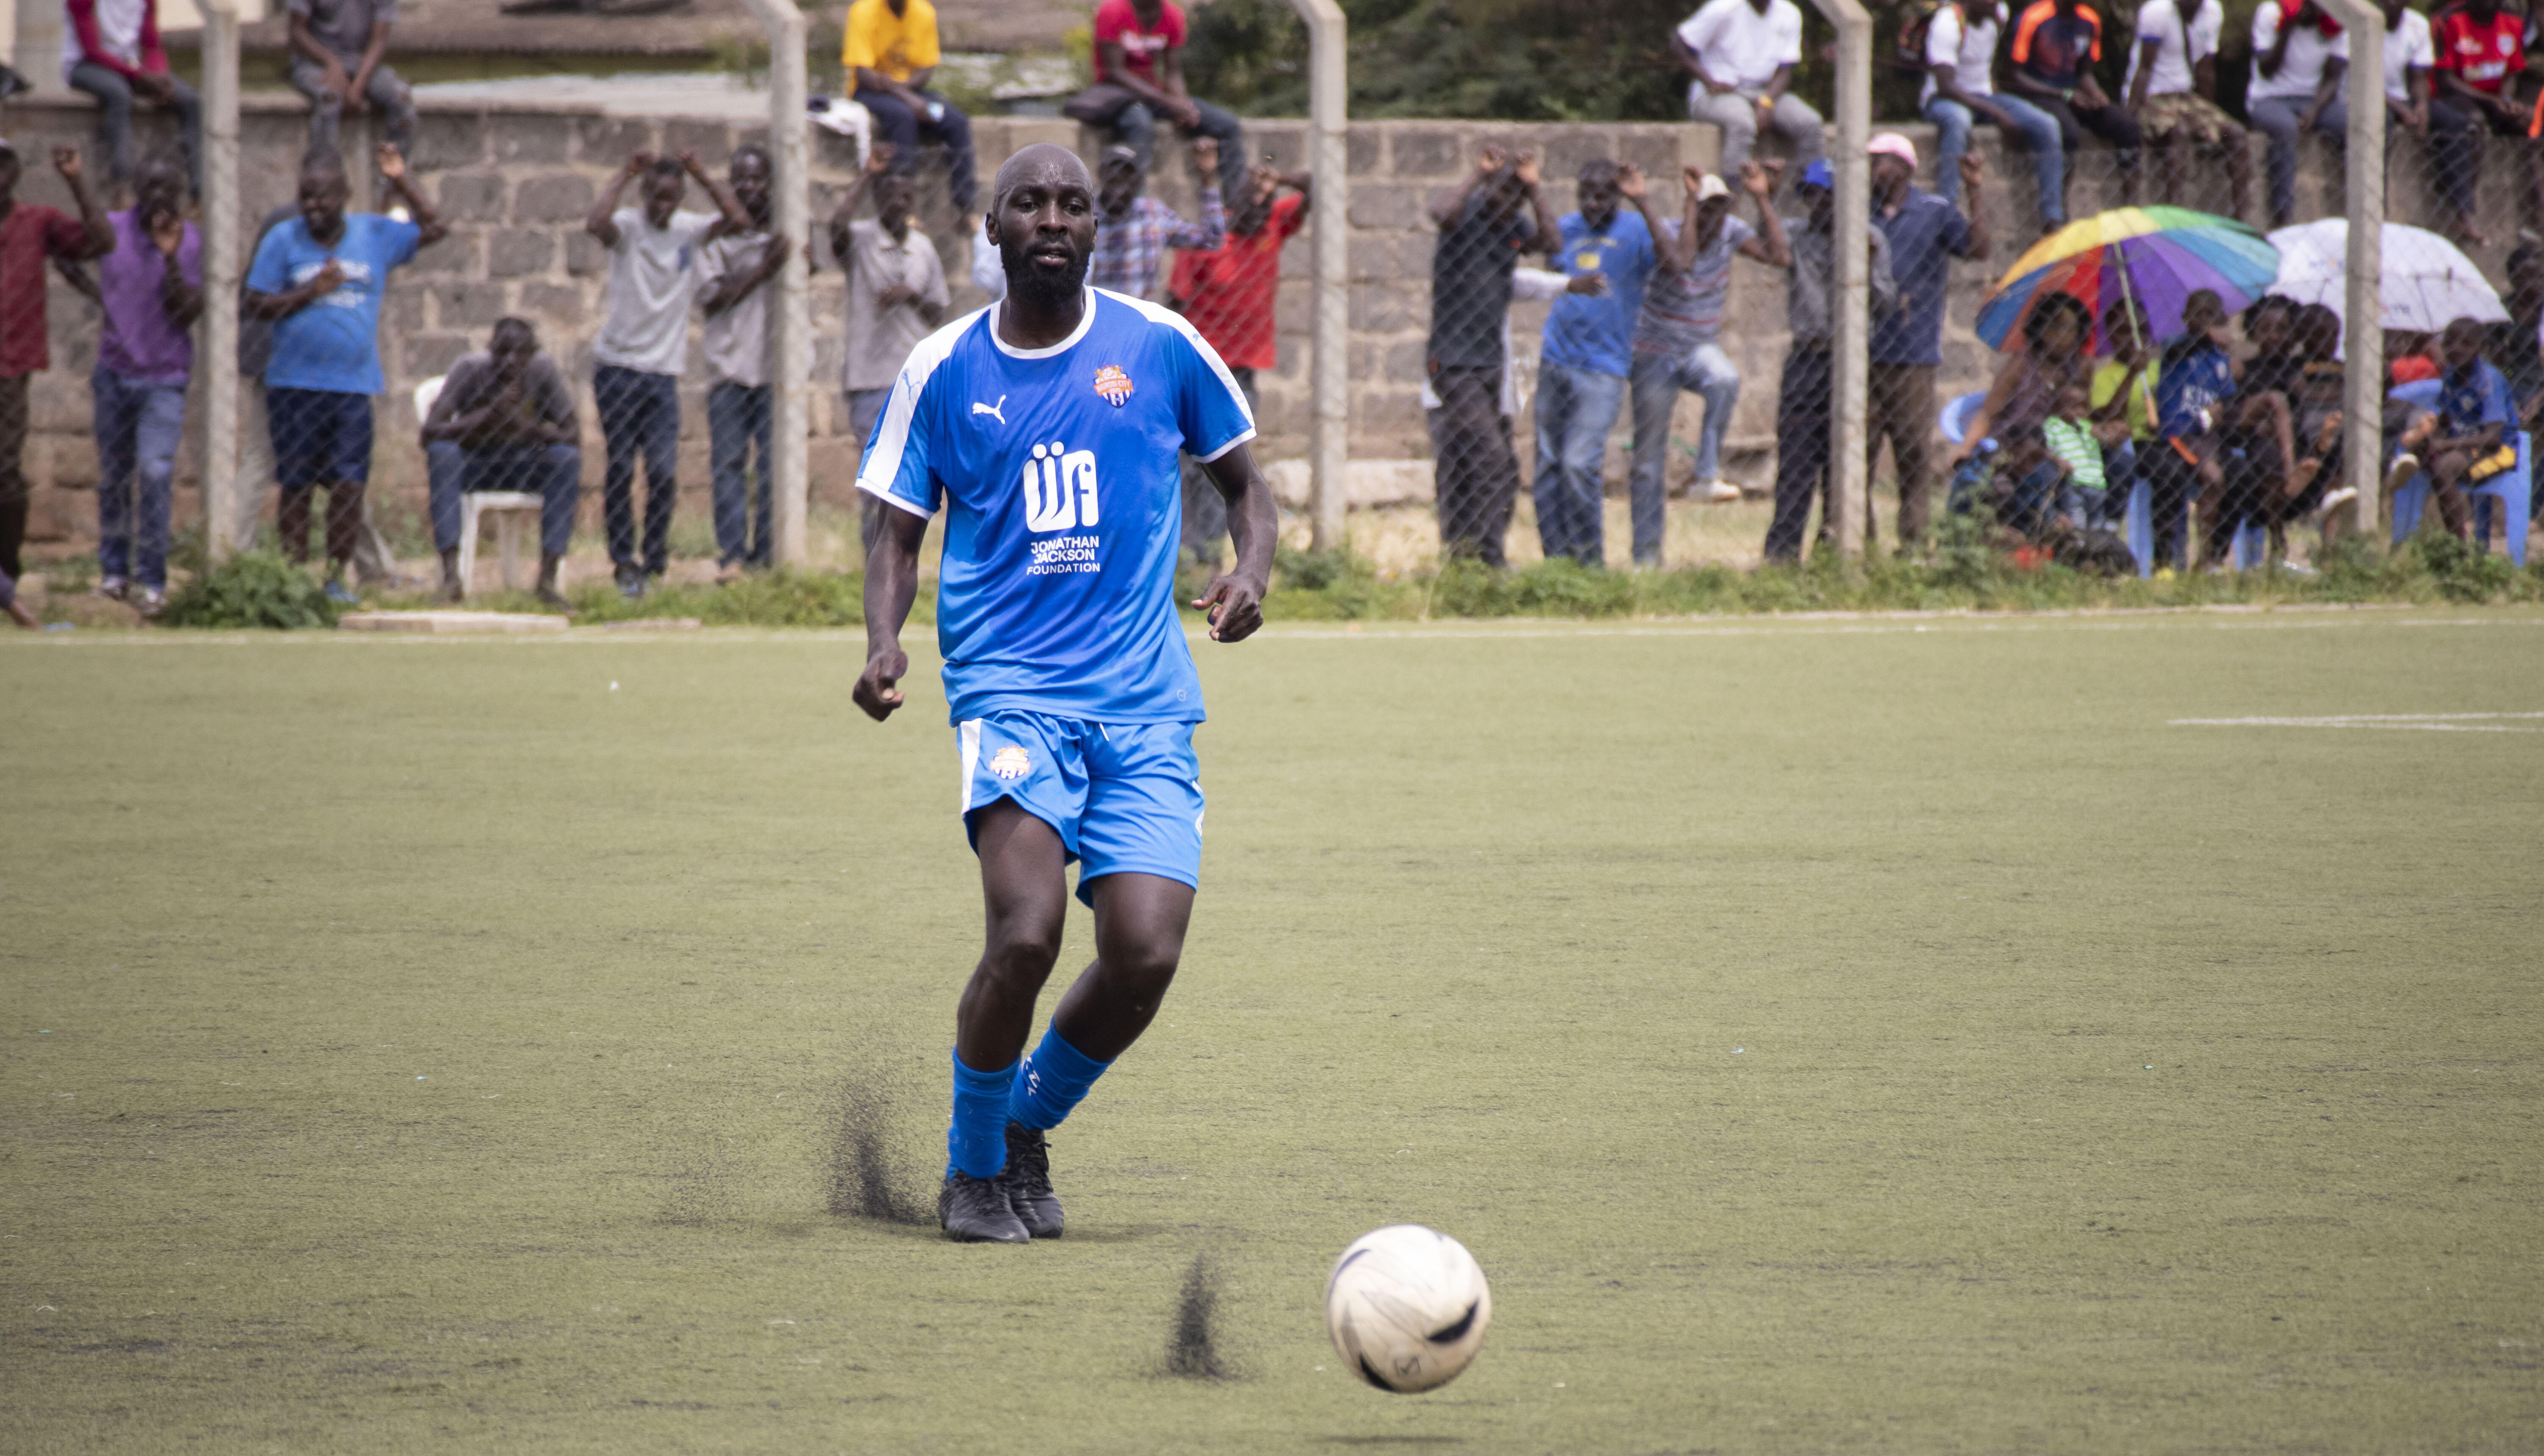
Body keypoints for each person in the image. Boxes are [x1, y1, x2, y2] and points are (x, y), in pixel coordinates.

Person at [850, 143, 1278, 1244]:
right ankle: (970, 1171)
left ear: (1098, 225)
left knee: (1145, 950)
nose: (1052, 218)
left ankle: (1029, 1124)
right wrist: (885, 642)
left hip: (1143, 702)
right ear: (991, 226)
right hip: (1011, 694)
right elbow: (896, 528)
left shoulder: (1159, 345)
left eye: (1072, 204)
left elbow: (1249, 490)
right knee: (1029, 931)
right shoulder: (942, 368)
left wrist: (1249, 569)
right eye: (1029, 202)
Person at [245, 143, 444, 601]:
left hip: (353, 386)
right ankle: (293, 580)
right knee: (295, 487)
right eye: (306, 198)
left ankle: (336, 579)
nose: (314, 208)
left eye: (325, 198)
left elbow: (435, 228)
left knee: (348, 487)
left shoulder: (373, 234)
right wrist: (310, 292)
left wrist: (400, 179)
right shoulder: (284, 240)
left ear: (346, 195)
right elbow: (255, 303)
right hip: (294, 385)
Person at [584, 149, 750, 599]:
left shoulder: (689, 229)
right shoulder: (629, 227)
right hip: (618, 367)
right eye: (656, 197)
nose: (663, 207)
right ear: (644, 194)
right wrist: (623, 171)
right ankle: (623, 562)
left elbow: (737, 220)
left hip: (662, 373)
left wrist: (702, 173)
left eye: (671, 199)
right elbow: (595, 225)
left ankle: (654, 559)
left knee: (663, 471)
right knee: (620, 466)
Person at [1627, 162, 1789, 564]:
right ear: (1693, 210)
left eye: (1720, 208)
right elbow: (1680, 261)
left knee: (1725, 379)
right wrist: (1689, 208)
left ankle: (1707, 472)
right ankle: (1647, 557)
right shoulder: (1667, 230)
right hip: (1655, 349)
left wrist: (1762, 197)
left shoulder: (1732, 231)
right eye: (1707, 209)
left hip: (1699, 346)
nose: (1715, 217)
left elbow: (1779, 256)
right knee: (1648, 461)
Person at [1168, 161, 1309, 569]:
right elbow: (1175, 301)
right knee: (1185, 464)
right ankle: (1182, 554)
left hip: (1241, 370)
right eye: (1252, 201)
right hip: (1197, 369)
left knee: (1227, 460)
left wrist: (1278, 179)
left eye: (1268, 205)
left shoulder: (1272, 226)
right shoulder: (1208, 240)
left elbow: (1315, 187)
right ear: (1233, 202)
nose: (1261, 211)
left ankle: (1209, 554)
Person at [1763, 159, 1900, 563]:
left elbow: (1886, 303)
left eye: (1826, 195)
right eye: (1810, 195)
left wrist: (1869, 262)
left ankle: (1836, 551)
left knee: (1845, 463)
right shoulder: (1796, 234)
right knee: (1795, 464)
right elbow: (1772, 248)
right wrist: (1763, 196)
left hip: (1852, 363)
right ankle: (1781, 557)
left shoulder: (1870, 238)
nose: (1817, 204)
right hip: (1808, 358)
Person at [1426, 145, 1557, 567]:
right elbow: (1441, 212)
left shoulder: (1513, 228)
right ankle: (1483, 555)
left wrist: (1534, 189)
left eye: (1513, 197)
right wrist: (1477, 175)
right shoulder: (1464, 218)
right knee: (1488, 457)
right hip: (1453, 361)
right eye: (1500, 193)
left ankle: (1474, 553)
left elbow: (1553, 243)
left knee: (1489, 463)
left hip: (1490, 362)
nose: (1506, 203)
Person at [1530, 159, 1662, 568]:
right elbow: (1549, 262)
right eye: (1585, 194)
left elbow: (1675, 260)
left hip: (1603, 367)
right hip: (1555, 359)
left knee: (1578, 463)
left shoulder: (1637, 231)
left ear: (1618, 194)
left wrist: (1644, 201)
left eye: (1603, 195)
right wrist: (1535, 190)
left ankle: (1590, 565)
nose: (1592, 203)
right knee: (1547, 466)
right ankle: (1557, 563)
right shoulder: (1568, 227)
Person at [1867, 131, 1989, 552]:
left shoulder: (1934, 211)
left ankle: (1914, 545)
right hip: (1862, 354)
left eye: (1879, 160)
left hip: (1913, 354)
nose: (1871, 169)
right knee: (1856, 454)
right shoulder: (1856, 212)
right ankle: (1858, 543)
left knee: (1914, 455)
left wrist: (1975, 191)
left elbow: (1977, 249)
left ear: (1903, 167)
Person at [0, 142, 113, 589]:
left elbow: (100, 242)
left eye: (5, 163)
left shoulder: (37, 221)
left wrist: (76, 181)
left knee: (5, 468)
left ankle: (7, 576)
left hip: (11, 364)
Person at [90, 153, 198, 617]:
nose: (159, 197)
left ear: (178, 193)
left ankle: (152, 579)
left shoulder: (190, 240)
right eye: (150, 187)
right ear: (136, 187)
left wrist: (171, 258)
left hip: (164, 378)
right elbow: (70, 254)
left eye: (167, 189)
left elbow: (188, 311)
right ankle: (115, 571)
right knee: (114, 476)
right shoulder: (112, 229)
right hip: (115, 373)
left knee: (154, 473)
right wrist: (98, 300)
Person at [830, 141, 949, 556]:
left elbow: (938, 312)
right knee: (876, 482)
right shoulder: (862, 240)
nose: (898, 201)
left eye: (905, 195)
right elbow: (836, 230)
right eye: (889, 194)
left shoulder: (923, 247)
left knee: (911, 480)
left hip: (913, 383)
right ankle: (873, 562)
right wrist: (867, 174)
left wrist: (909, 295)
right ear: (878, 199)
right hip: (869, 379)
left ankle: (902, 560)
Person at [420, 317, 579, 605]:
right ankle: (451, 578)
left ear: (532, 354)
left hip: (523, 465)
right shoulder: (470, 368)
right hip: (476, 465)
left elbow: (572, 433)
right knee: (442, 453)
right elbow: (430, 431)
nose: (510, 361)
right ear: (491, 351)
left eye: (520, 354)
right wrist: (487, 415)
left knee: (566, 458)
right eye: (502, 352)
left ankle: (547, 580)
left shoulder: (543, 371)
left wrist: (526, 427)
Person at [699, 145, 794, 578]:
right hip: (731, 369)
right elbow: (713, 298)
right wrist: (764, 269)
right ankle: (732, 558)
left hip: (777, 373)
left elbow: (806, 268)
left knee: (775, 467)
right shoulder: (716, 240)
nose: (749, 187)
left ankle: (768, 557)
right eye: (741, 179)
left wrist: (780, 259)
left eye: (757, 179)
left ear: (772, 185)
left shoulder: (786, 235)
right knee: (729, 466)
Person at [1074, 0, 1247, 202]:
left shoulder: (1173, 15)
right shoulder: (1113, 10)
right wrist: (1168, 102)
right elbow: (1115, 72)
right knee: (1140, 124)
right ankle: (1135, 211)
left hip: (1155, 96)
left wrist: (1182, 105)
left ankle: (1236, 211)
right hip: (1116, 95)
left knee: (1227, 125)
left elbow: (1173, 72)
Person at [1953, 292, 2094, 538]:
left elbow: (2078, 421)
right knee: (1971, 483)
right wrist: (1966, 448)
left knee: (2059, 481)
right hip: (2007, 448)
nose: (2062, 337)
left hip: (2043, 453)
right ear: (2040, 328)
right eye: (2055, 327)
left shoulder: (2073, 373)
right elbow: (1987, 413)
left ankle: (2057, 538)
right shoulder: (2021, 365)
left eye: (2071, 329)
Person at [1922, 0, 2067, 227]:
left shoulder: (1998, 14)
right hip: (1944, 99)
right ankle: (1947, 207)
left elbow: (1986, 68)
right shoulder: (1948, 23)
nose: (1995, 4)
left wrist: (1996, 107)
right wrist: (1999, 114)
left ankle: (2053, 217)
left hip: (1984, 96)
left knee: (2047, 124)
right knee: (1958, 120)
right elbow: (1946, 87)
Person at [2007, 0, 2141, 216]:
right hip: (2040, 92)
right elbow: (2015, 75)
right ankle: (2060, 206)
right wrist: (2064, 95)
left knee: (2127, 127)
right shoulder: (2034, 18)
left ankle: (2132, 205)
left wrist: (2096, 94)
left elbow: (2084, 73)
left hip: (2073, 91)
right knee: (2068, 132)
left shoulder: (2090, 21)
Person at [842, 0, 977, 213]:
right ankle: (904, 208)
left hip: (911, 89)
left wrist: (906, 92)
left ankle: (965, 208)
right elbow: (864, 74)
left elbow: (925, 70)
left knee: (956, 121)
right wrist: (908, 98)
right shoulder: (863, 11)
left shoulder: (924, 12)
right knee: (903, 116)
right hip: (872, 92)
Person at [2125, 0, 2253, 221]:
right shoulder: (2157, 13)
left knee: (2237, 134)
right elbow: (2144, 69)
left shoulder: (2212, 12)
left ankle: (2244, 217)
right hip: (2153, 95)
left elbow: (2205, 69)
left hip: (2184, 95)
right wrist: (2130, 118)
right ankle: (2178, 215)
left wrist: (2208, 123)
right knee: (2179, 133)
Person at [64, 0, 201, 194]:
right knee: (119, 95)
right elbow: (92, 51)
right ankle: (122, 184)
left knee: (191, 101)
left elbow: (152, 45)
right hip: (85, 65)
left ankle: (199, 192)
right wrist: (139, 76)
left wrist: (159, 76)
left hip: (132, 67)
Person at [1674, 0, 1823, 177]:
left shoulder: (1789, 14)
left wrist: (1767, 102)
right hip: (1719, 93)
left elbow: (1785, 70)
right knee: (1743, 123)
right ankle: (1731, 196)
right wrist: (1709, 81)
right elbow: (1679, 45)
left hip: (1766, 91)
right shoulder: (1724, 8)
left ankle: (1814, 192)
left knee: (1810, 122)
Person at [2146, 287, 2238, 570]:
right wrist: (2206, 337)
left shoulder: (2220, 361)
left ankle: (2210, 555)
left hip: (2206, 436)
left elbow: (2229, 399)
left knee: (2238, 474)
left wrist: (2220, 410)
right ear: (2186, 317)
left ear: (2221, 318)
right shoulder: (2175, 346)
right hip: (2178, 433)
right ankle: (2172, 560)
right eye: (2198, 313)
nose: (2204, 320)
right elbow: (2181, 350)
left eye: (2211, 315)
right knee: (2211, 476)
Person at [2431, 0, 2532, 246]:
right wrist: (2492, 100)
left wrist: (2507, 100)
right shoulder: (2449, 20)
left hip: (2495, 97)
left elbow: (2512, 71)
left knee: (2532, 122)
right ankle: (2464, 212)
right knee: (2473, 124)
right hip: (2458, 95)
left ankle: (2534, 221)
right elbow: (2446, 80)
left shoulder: (2513, 22)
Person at [2247, 0, 2349, 229]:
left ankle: (2361, 209)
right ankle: (2283, 217)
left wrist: (2315, 110)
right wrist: (2287, 29)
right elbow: (2267, 69)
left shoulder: (2338, 21)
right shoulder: (2270, 14)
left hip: (2315, 101)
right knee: (2286, 129)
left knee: (2353, 126)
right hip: (2270, 98)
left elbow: (2333, 79)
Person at [2414, 315, 2516, 543]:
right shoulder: (2450, 374)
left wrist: (2444, 444)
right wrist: (2431, 434)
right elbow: (2446, 418)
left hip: (2500, 452)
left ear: (2481, 348)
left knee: (2443, 468)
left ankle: (2456, 546)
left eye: (2466, 344)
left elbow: (2492, 439)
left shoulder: (2489, 380)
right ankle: (2411, 535)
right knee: (2420, 454)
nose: (2456, 349)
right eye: (2449, 343)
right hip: (2465, 447)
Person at [1088, 140, 1222, 302]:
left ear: (1139, 181)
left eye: (1128, 174)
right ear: (1101, 174)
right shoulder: (1085, 216)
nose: (1120, 180)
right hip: (1100, 316)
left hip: (1141, 319)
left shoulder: (1153, 214)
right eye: (1114, 173)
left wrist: (1207, 181)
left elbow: (1213, 239)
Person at [285, 0, 416, 165]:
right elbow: (296, 31)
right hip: (315, 64)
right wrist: (332, 63)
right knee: (330, 98)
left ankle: (394, 177)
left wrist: (359, 85)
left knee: (401, 98)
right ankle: (323, 174)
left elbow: (380, 40)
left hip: (362, 65)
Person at [2088, 295, 2159, 522]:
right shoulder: (2103, 376)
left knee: (2170, 470)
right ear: (2110, 334)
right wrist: (2132, 374)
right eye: (2124, 331)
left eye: (2141, 331)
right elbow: (2108, 417)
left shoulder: (2159, 370)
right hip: (2127, 444)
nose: (2133, 339)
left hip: (2158, 442)